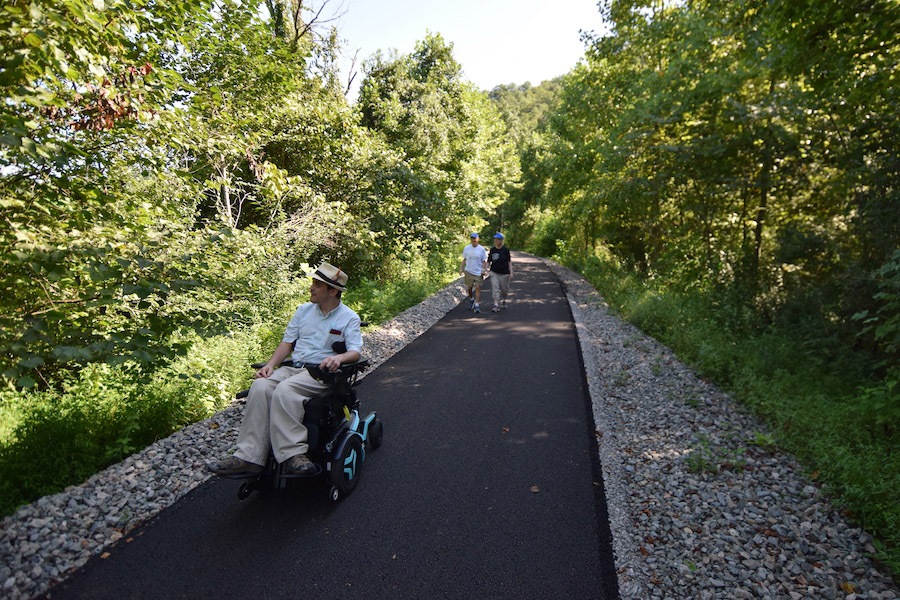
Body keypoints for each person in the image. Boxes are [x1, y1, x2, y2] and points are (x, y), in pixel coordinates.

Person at [208, 262, 363, 477]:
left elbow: (355, 352)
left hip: (321, 374)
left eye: (317, 285)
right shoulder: (303, 311)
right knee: (260, 386)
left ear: (333, 291)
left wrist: (339, 358)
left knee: (285, 390)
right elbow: (287, 343)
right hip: (295, 368)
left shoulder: (349, 317)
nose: (311, 288)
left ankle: (293, 454)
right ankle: (249, 457)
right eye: (313, 283)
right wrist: (270, 365)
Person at [460, 232, 488, 313]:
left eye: (475, 238)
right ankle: (471, 299)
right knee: (469, 287)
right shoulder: (467, 248)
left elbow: (484, 261)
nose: (473, 240)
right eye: (472, 238)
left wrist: (484, 270)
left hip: (478, 272)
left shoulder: (481, 249)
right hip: (469, 271)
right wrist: (461, 268)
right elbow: (464, 259)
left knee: (477, 287)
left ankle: (477, 304)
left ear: (478, 239)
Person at [486, 232, 512, 312]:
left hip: (504, 273)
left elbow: (509, 262)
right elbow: (488, 261)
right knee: (495, 289)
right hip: (494, 272)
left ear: (501, 240)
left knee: (504, 290)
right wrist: (485, 269)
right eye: (495, 239)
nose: (496, 241)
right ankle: (496, 305)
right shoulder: (492, 250)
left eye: (497, 239)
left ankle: (504, 299)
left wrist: (511, 272)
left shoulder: (505, 250)